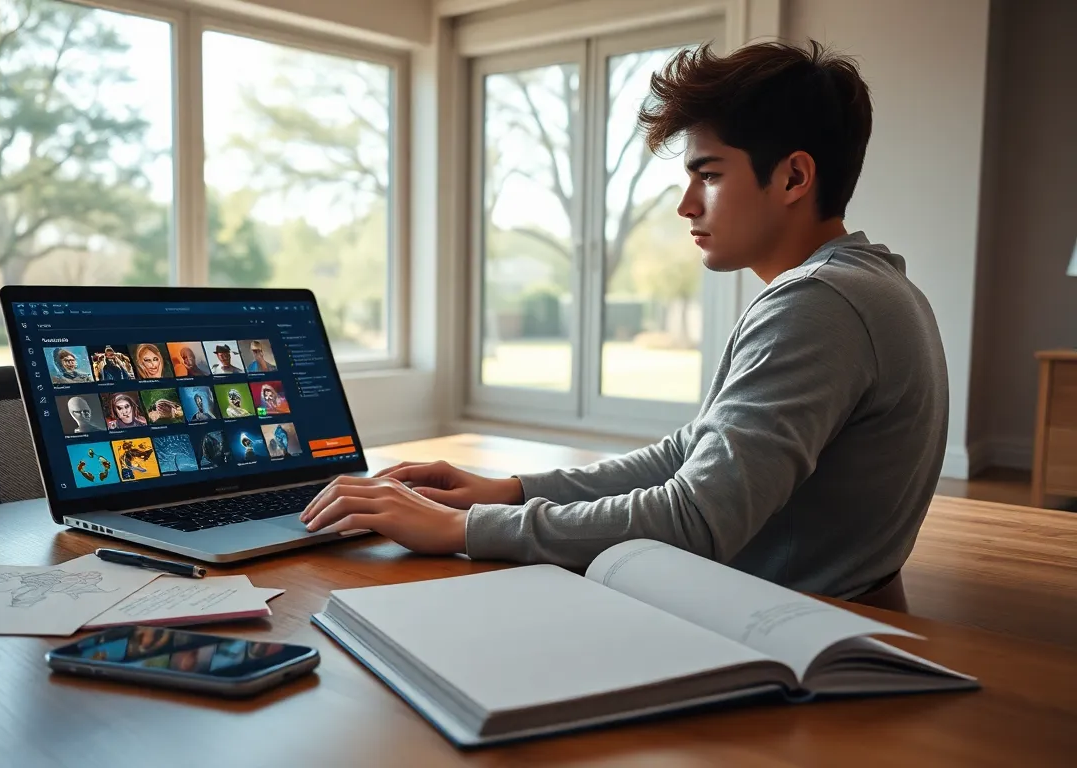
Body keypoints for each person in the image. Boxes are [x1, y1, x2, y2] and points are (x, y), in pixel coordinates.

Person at [299, 41, 950, 600]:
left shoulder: (817, 304)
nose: (687, 204)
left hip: (777, 632)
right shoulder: (870, 283)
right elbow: (687, 456)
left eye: (710, 174)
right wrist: (505, 491)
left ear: (793, 176)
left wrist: (461, 531)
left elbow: (695, 518)